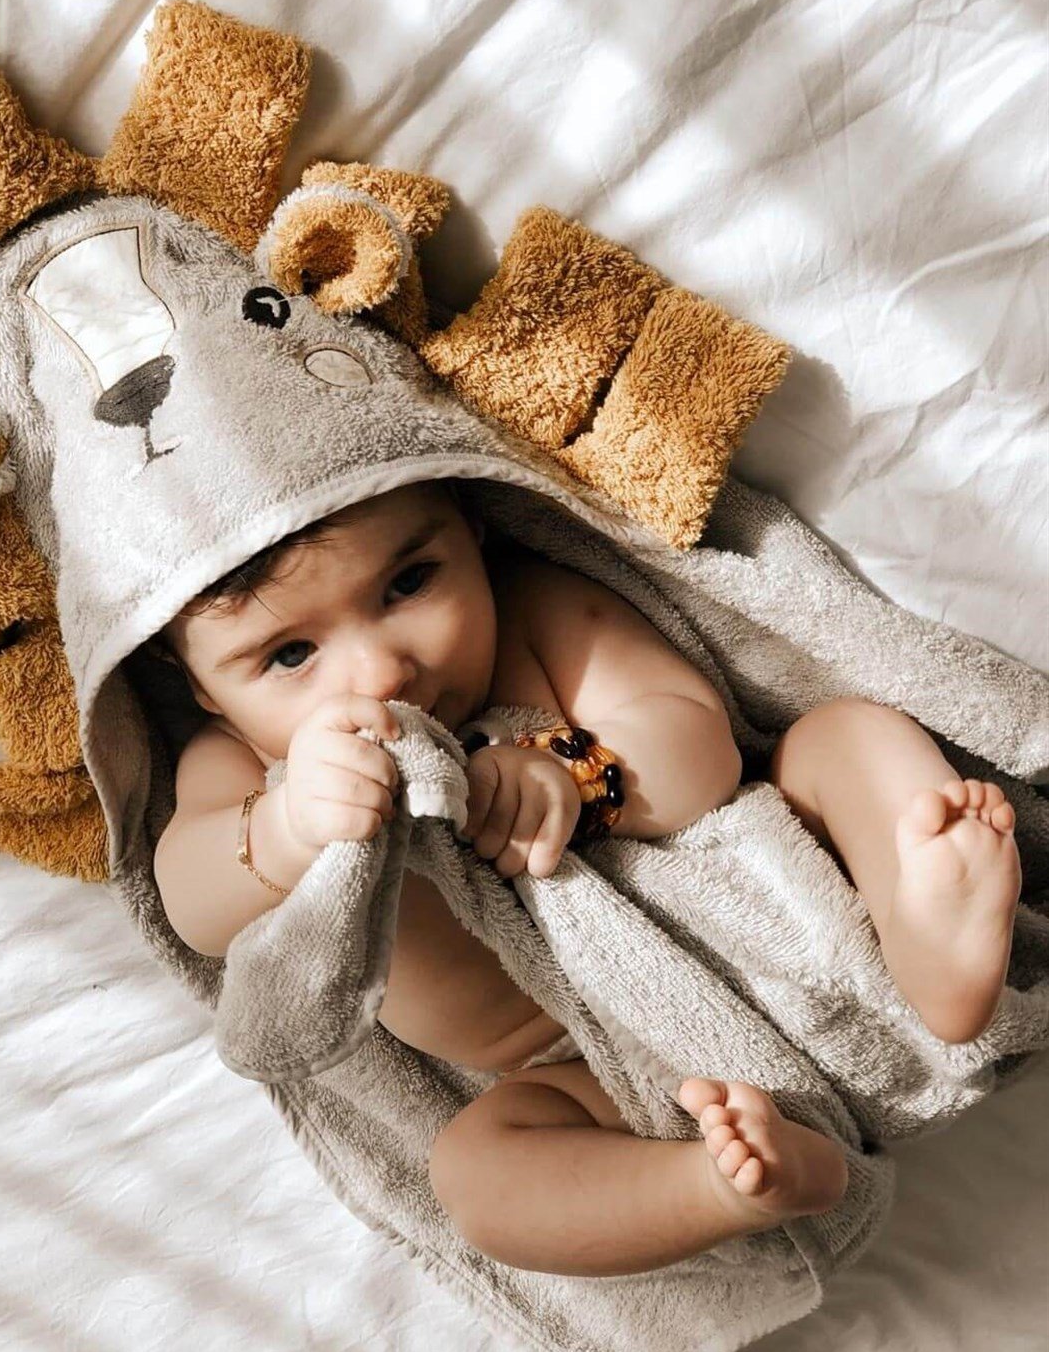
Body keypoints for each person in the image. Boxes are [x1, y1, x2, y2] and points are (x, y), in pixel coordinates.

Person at [152, 479, 1022, 1276]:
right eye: (290, 655)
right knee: (476, 1172)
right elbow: (193, 907)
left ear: (471, 526)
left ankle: (932, 952)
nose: (382, 671)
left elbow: (699, 749)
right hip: (595, 1068)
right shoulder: (235, 767)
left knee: (841, 736)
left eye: (409, 582)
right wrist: (288, 827)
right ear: (201, 687)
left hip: (762, 901)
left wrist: (574, 774)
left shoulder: (534, 613)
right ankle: (720, 1187)